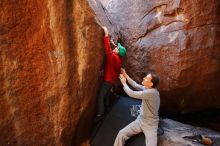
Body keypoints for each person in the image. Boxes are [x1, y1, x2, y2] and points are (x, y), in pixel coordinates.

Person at [114, 68, 160, 146]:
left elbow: (131, 93)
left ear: (151, 84)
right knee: (121, 134)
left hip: (150, 124)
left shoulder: (152, 93)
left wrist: (124, 83)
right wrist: (126, 75)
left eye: (146, 78)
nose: (144, 78)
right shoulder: (147, 88)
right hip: (140, 120)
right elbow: (135, 85)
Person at [95, 26, 126, 121]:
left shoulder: (113, 57)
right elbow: (115, 50)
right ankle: (107, 109)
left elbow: (108, 50)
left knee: (101, 96)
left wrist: (106, 35)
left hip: (108, 80)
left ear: (117, 51)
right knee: (107, 95)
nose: (116, 47)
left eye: (117, 48)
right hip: (112, 81)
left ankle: (100, 115)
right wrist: (113, 44)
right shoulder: (119, 59)